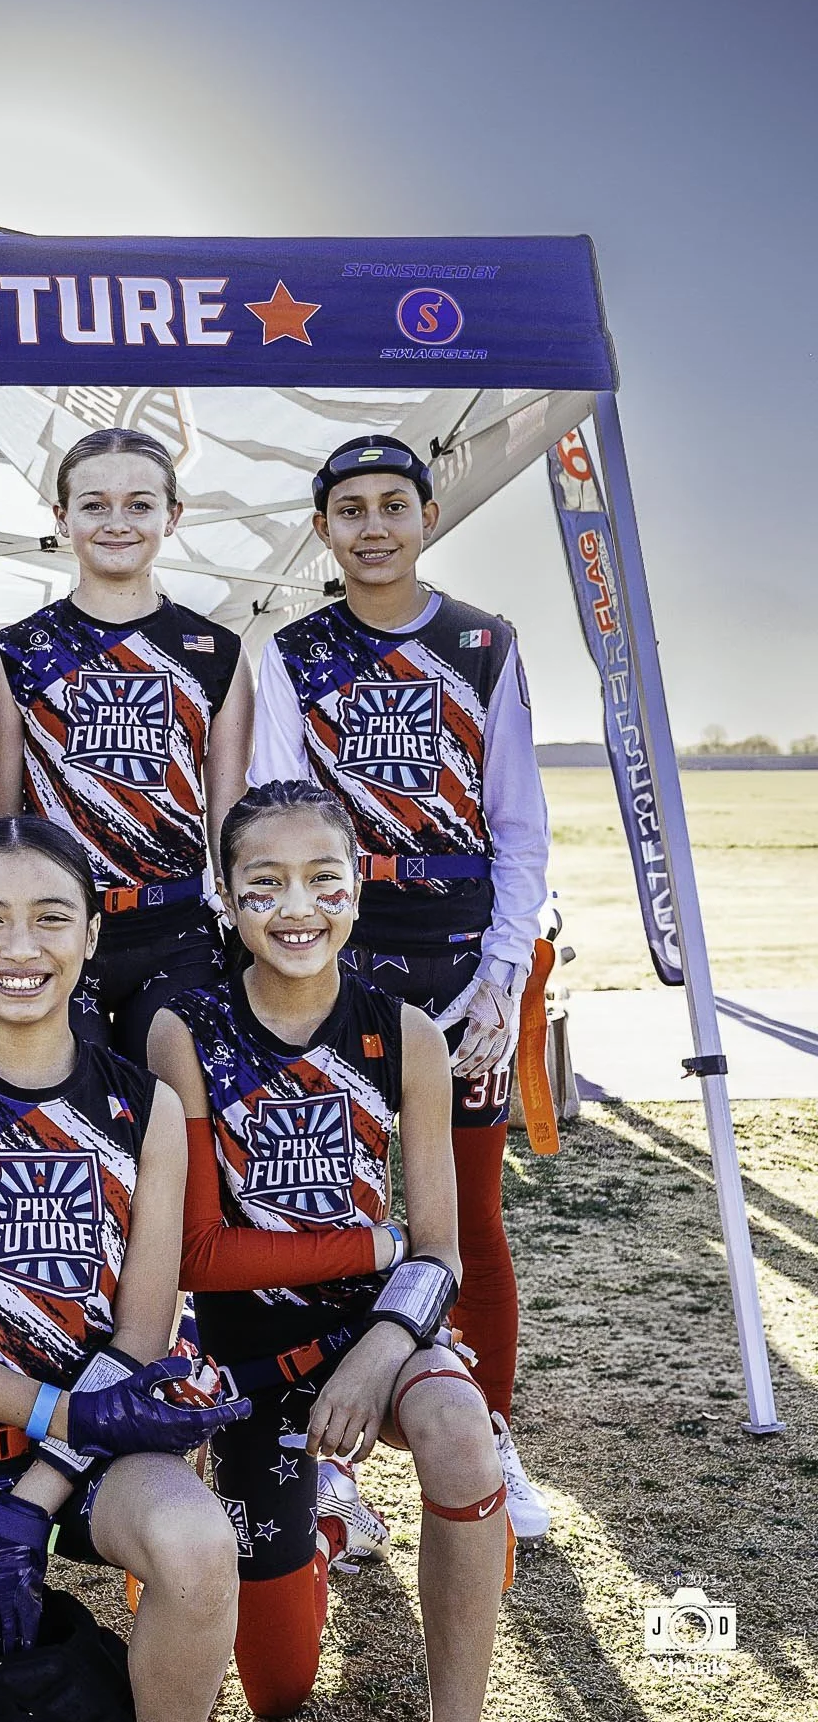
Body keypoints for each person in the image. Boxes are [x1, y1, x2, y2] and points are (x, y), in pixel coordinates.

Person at [0, 816, 246, 1722]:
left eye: (51, 917)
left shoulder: (141, 1105)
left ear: (91, 935)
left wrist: (35, 1497)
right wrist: (57, 1419)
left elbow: (142, 1335)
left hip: (100, 1448)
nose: (21, 947)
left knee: (198, 1547)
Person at [148, 781, 509, 1722]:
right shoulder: (185, 1031)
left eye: (323, 879)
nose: (297, 907)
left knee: (461, 1427)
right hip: (251, 1365)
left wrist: (379, 1347)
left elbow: (437, 1250)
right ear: (225, 897)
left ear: (356, 887)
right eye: (264, 884)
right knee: (276, 1694)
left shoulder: (407, 1034)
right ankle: (319, 1531)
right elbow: (193, 1254)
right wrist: (369, 1241)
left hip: (373, 1337)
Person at [248, 435, 551, 1539]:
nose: (372, 526)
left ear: (426, 514)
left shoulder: (481, 642)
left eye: (391, 504)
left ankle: (488, 1425)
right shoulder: (291, 651)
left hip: (460, 953)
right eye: (348, 509)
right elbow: (273, 815)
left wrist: (501, 977)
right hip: (340, 957)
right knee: (323, 1207)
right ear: (321, 528)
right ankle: (324, 1458)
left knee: (464, 1212)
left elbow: (519, 824)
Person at [0, 427, 251, 1059]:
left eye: (139, 504)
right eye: (94, 504)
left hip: (177, 928)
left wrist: (243, 926)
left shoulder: (216, 651)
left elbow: (229, 816)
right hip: (59, 928)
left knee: (176, 1120)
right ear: (62, 516)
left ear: (172, 516)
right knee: (79, 1130)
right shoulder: (15, 652)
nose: (117, 522)